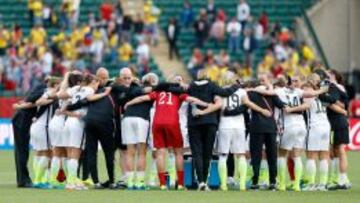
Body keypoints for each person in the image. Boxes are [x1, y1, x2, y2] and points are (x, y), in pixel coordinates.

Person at [124, 77, 210, 190]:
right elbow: (192, 99)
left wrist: (129, 103)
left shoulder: (159, 92)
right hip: (172, 122)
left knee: (160, 154)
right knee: (178, 153)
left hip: (157, 122)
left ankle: (163, 184)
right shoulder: (179, 93)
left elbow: (142, 98)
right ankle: (179, 184)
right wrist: (206, 104)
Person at [186, 70, 240, 191]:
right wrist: (236, 85)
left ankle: (200, 182)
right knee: (207, 153)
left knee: (197, 153)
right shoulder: (212, 86)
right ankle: (205, 181)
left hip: (194, 123)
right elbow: (226, 92)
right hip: (210, 122)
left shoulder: (191, 86)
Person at [217, 78, 271, 191]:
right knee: (241, 155)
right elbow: (248, 103)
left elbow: (217, 106)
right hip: (239, 126)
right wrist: (262, 110)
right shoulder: (242, 92)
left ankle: (223, 185)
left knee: (223, 155)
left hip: (225, 125)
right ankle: (242, 185)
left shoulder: (220, 91)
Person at [12, 81, 47, 187]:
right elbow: (32, 101)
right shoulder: (43, 90)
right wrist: (21, 106)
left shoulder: (39, 87)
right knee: (22, 150)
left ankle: (22, 179)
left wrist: (21, 105)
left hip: (21, 118)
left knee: (21, 150)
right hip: (23, 119)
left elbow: (29, 99)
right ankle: (23, 180)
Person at [30, 77, 61, 188]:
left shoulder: (43, 92)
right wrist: (52, 100)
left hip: (36, 125)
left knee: (38, 152)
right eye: (59, 84)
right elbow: (40, 102)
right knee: (47, 153)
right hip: (43, 126)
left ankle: (39, 179)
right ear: (56, 85)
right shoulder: (49, 94)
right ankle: (39, 180)